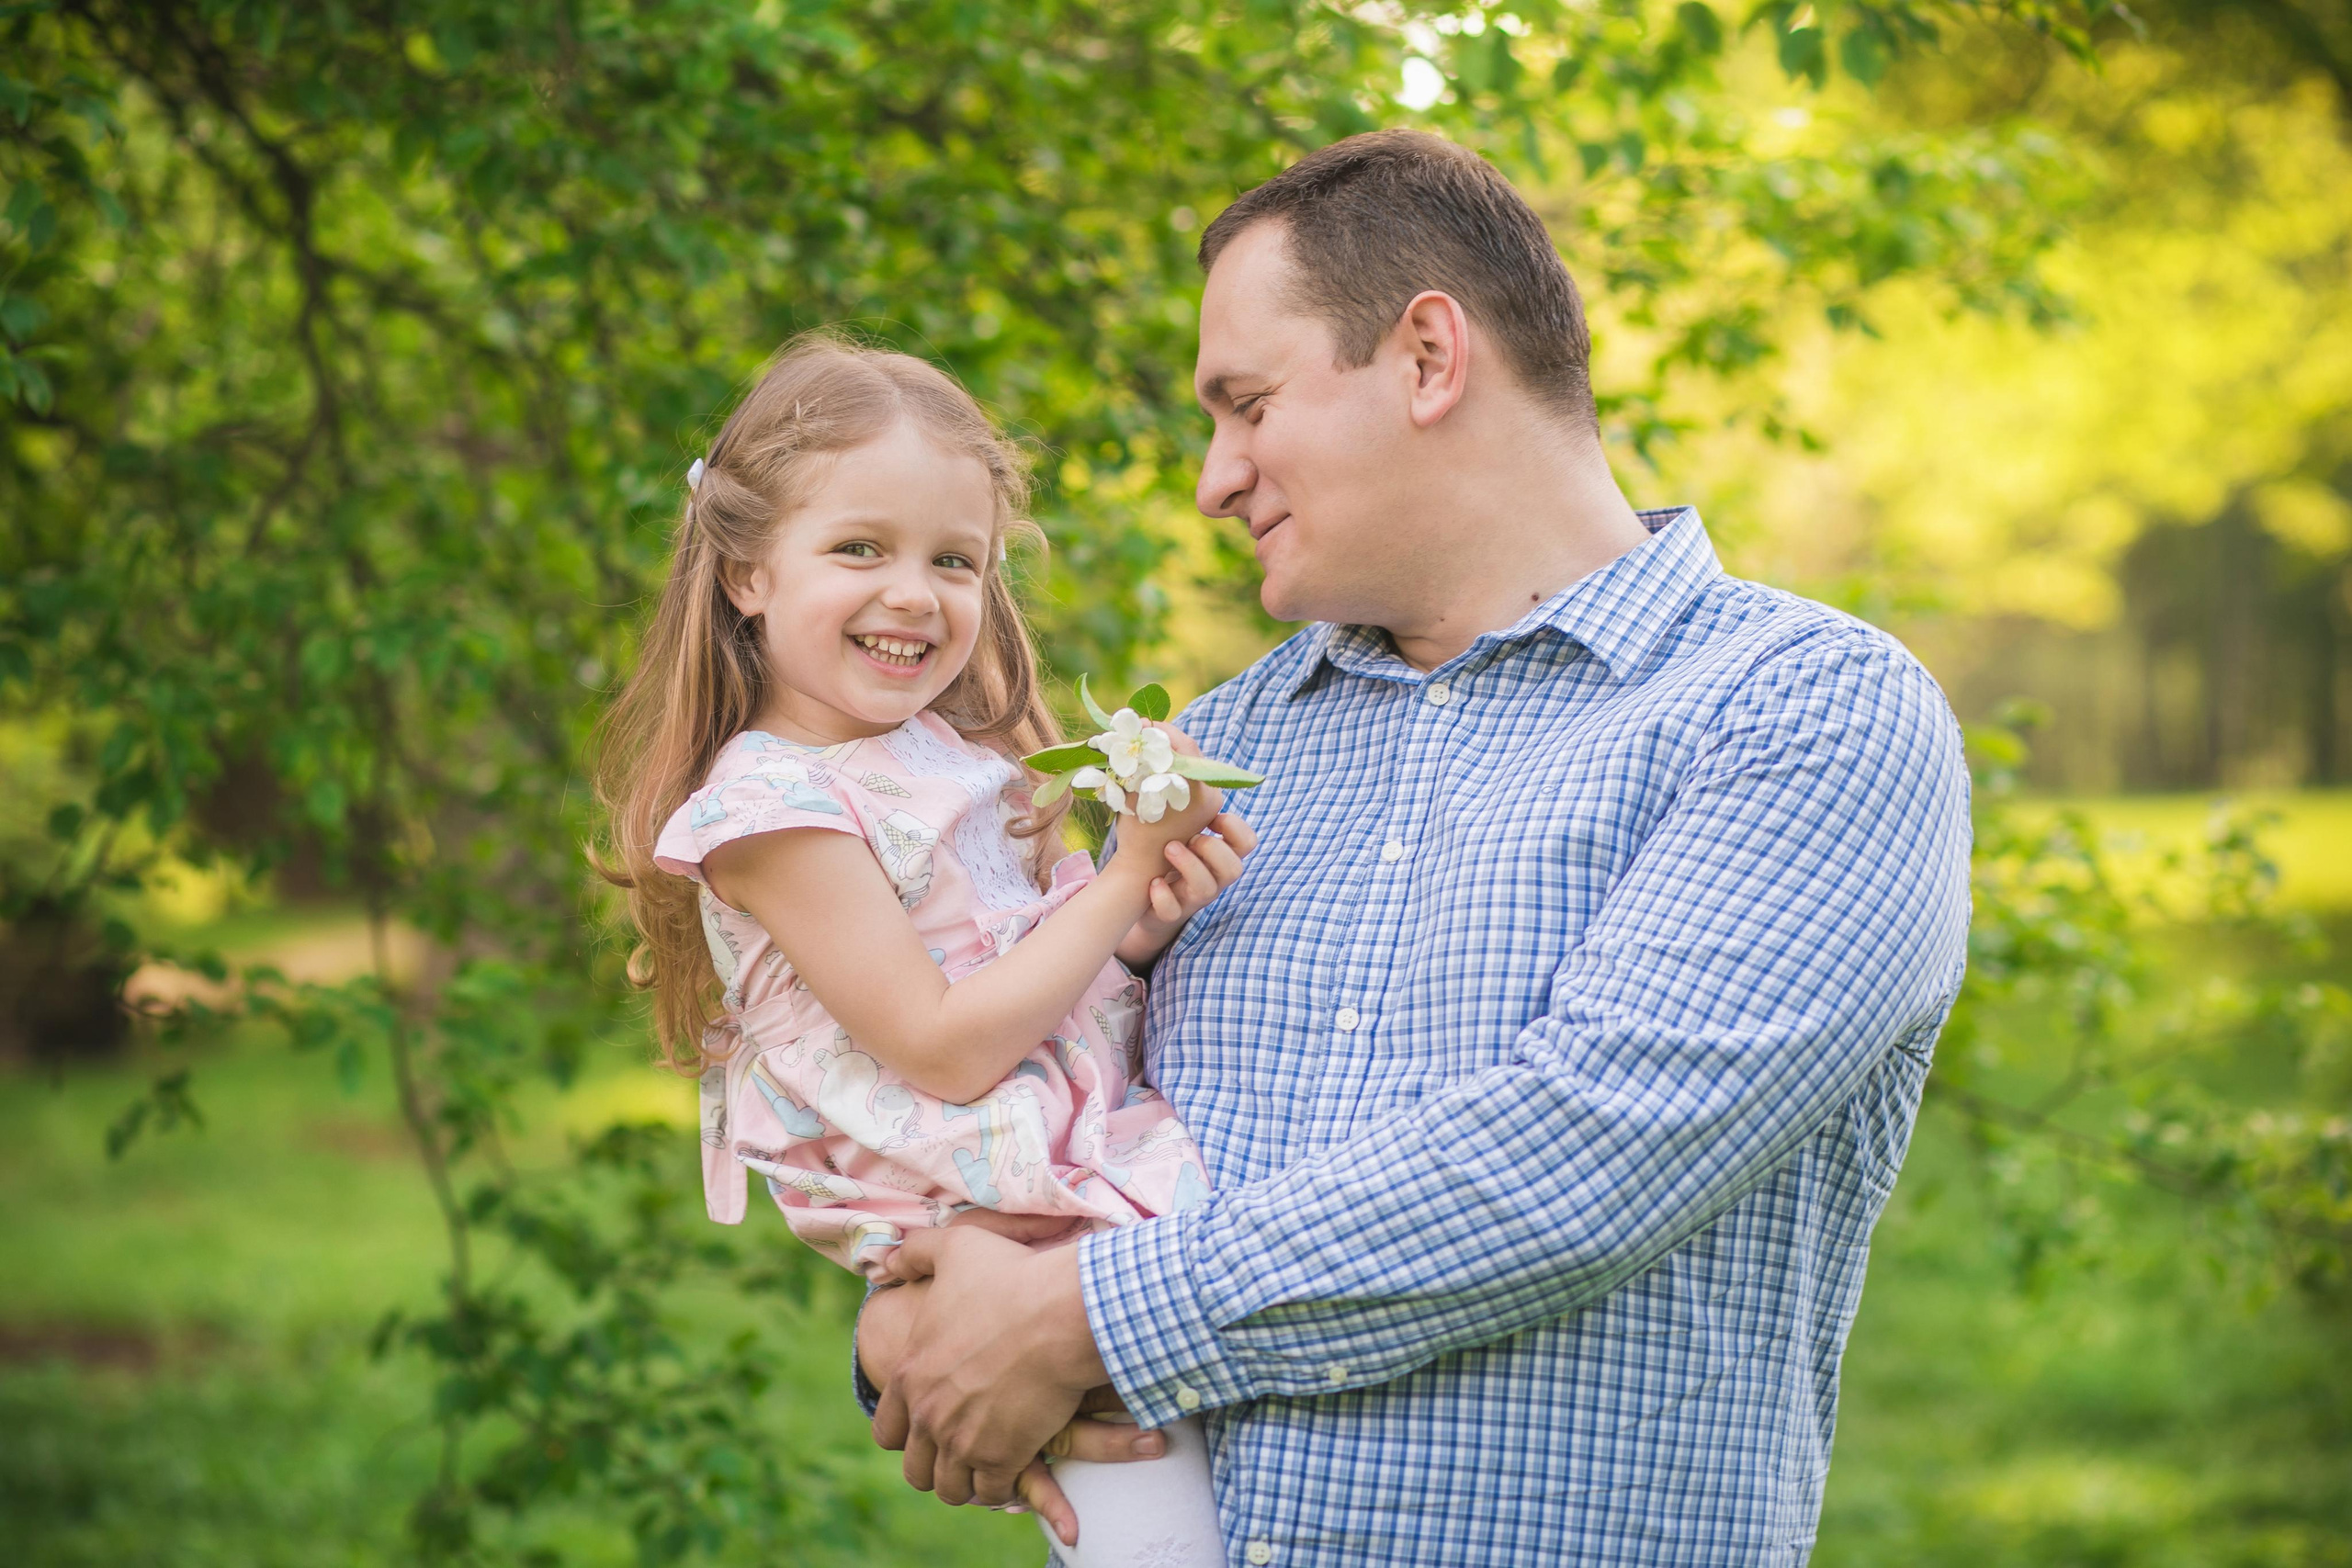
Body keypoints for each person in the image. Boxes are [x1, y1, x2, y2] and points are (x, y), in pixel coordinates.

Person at [865, 130, 1975, 1566]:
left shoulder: (1803, 710)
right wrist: (917, 1316)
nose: (1213, 480)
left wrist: (1081, 1321)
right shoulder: (1206, 753)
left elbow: (1579, 1156)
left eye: (1247, 405)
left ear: (1430, 358)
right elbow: (1040, 1099)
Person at [593, 334, 1254, 1565]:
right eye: (861, 549)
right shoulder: (768, 810)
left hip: (1065, 1173)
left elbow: (1030, 982)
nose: (915, 593)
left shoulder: (956, 760)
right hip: (989, 1210)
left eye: (955, 560)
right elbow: (946, 1048)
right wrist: (1116, 882)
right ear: (746, 571)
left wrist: (1142, 921)